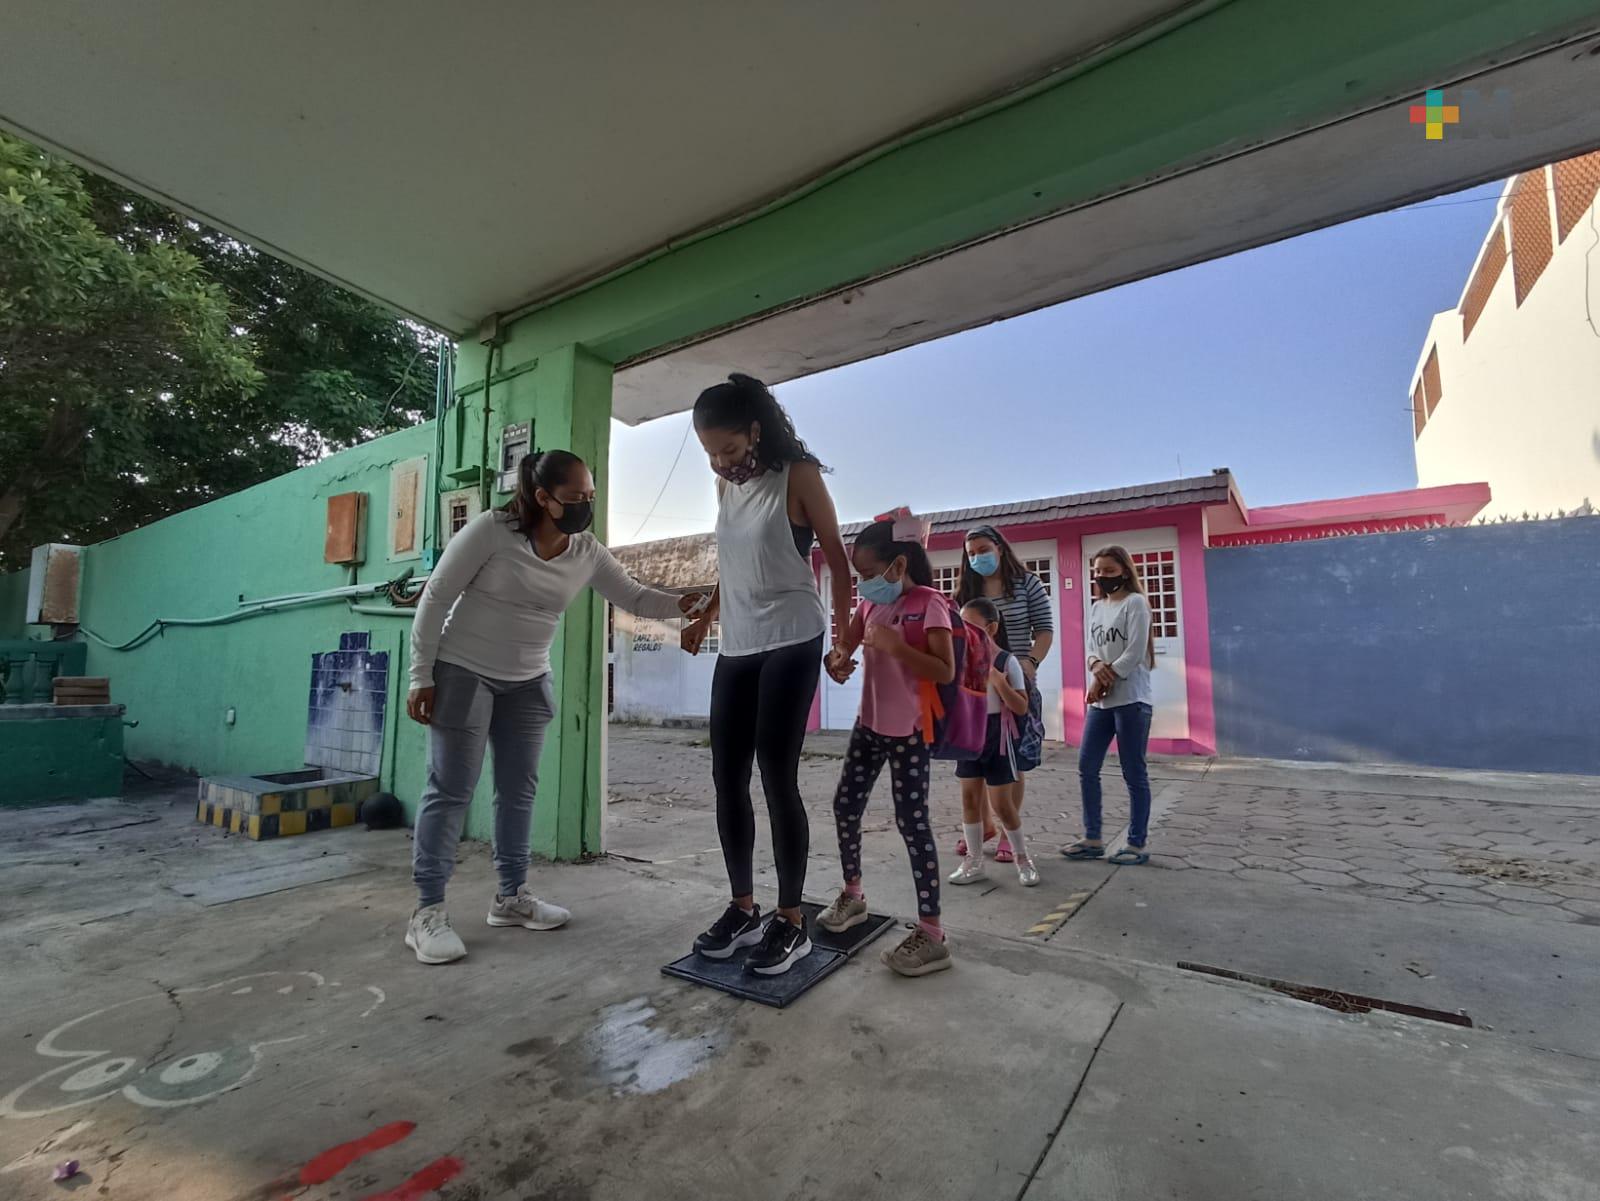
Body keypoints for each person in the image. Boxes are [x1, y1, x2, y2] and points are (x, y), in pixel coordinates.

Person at [403, 450, 704, 965]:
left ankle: (511, 897)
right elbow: (436, 596)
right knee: (452, 791)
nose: (586, 505)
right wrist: (420, 675)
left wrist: (691, 602)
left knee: (518, 793)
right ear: (542, 497)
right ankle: (427, 912)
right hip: (464, 671)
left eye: (590, 496)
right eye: (575, 498)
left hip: (527, 681)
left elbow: (632, 596)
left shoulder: (585, 550)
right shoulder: (493, 531)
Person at [681, 374, 854, 976]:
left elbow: (837, 557)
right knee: (726, 777)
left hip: (793, 636)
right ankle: (742, 907)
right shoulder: (726, 488)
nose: (721, 463)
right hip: (741, 643)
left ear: (755, 431)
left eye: (728, 450)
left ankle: (790, 920)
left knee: (776, 778)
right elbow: (733, 563)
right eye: (710, 455)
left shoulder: (797, 476)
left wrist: (843, 639)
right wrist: (706, 615)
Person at [816, 511, 956, 978]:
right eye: (860, 577)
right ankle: (853, 895)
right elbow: (845, 650)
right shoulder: (869, 606)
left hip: (911, 732)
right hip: (869, 726)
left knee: (912, 824)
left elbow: (944, 670)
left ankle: (932, 934)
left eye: (871, 574)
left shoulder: (929, 602)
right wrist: (836, 662)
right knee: (845, 806)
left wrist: (898, 647)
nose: (865, 584)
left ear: (899, 565)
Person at [952, 524, 1054, 862]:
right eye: (972, 553)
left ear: (999, 547)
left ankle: (1010, 831)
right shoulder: (966, 589)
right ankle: (982, 827)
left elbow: (1044, 631)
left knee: (1012, 762)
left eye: (983, 549)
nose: (978, 557)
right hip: (975, 690)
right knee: (973, 762)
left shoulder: (1027, 584)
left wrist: (1029, 663)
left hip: (1015, 680)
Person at [1062, 546, 1156, 866]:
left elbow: (1133, 652)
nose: (1102, 577)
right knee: (1087, 767)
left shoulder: (1136, 603)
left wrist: (1103, 679)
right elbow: (1090, 647)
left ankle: (1136, 844)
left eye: (1109, 571)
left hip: (1131, 701)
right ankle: (1093, 838)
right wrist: (1094, 666)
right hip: (1101, 706)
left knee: (1133, 772)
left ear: (1125, 572)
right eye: (1098, 571)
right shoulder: (1097, 607)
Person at [948, 598, 1040, 888]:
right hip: (970, 735)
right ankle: (974, 861)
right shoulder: (961, 659)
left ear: (991, 628)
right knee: (969, 799)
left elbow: (1021, 706)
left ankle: (1022, 858)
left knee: (1002, 804)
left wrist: (999, 683)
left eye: (971, 625)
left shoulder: (1006, 661)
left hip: (998, 737)